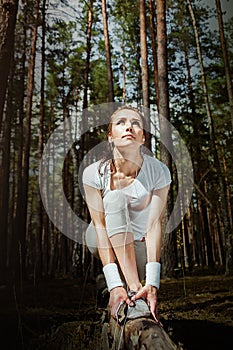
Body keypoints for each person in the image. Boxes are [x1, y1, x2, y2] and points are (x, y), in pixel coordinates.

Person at [82, 106, 171, 323]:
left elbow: (153, 227)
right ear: (110, 137)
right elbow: (100, 227)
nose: (129, 126)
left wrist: (152, 283)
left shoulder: (159, 171)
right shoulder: (93, 173)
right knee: (114, 198)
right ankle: (130, 287)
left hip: (139, 247)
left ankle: (113, 283)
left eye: (136, 123)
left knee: (119, 203)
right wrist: (116, 285)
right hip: (100, 239)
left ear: (143, 138)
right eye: (121, 122)